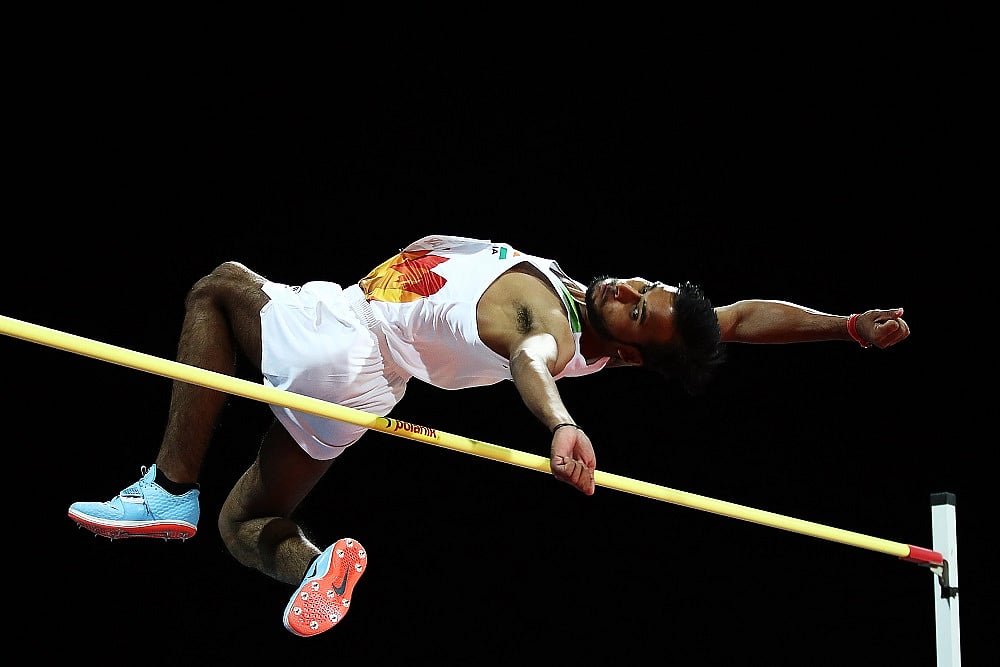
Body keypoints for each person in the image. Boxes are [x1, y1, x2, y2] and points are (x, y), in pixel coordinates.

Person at [67, 234, 910, 637]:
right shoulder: (593, 310)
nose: (627, 289)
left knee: (218, 288)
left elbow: (532, 361)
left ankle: (167, 487)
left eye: (635, 311)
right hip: (367, 384)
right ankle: (318, 564)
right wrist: (844, 327)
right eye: (645, 285)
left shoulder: (554, 325)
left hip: (350, 334)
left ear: (623, 354)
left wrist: (562, 424)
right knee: (245, 523)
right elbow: (738, 317)